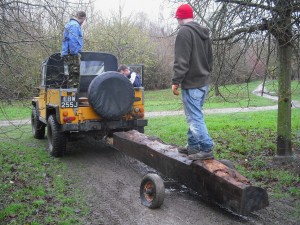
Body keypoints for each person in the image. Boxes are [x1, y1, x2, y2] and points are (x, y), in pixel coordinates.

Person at [171, 4, 214, 160]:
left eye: (177, 18)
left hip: (192, 84)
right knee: (195, 114)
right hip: (203, 82)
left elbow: (181, 60)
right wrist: (205, 74)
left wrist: (176, 81)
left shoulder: (184, 32)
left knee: (194, 117)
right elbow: (210, 60)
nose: (177, 21)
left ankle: (206, 148)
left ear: (179, 17)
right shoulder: (204, 33)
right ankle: (193, 146)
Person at [61, 11, 87, 89]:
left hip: (68, 53)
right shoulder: (75, 25)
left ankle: (71, 94)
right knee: (75, 78)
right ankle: (73, 98)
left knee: (71, 76)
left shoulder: (70, 24)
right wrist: (75, 54)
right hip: (72, 54)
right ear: (83, 18)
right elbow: (73, 41)